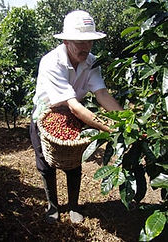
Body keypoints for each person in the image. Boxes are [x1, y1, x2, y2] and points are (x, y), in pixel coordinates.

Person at [30, 10, 123, 224]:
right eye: (79, 41)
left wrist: (124, 121)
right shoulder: (51, 62)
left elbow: (102, 94)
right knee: (45, 162)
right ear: (65, 40)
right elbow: (73, 105)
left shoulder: (92, 61)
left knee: (74, 161)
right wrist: (109, 129)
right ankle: (53, 206)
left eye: (89, 41)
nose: (86, 46)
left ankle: (73, 205)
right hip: (46, 114)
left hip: (73, 113)